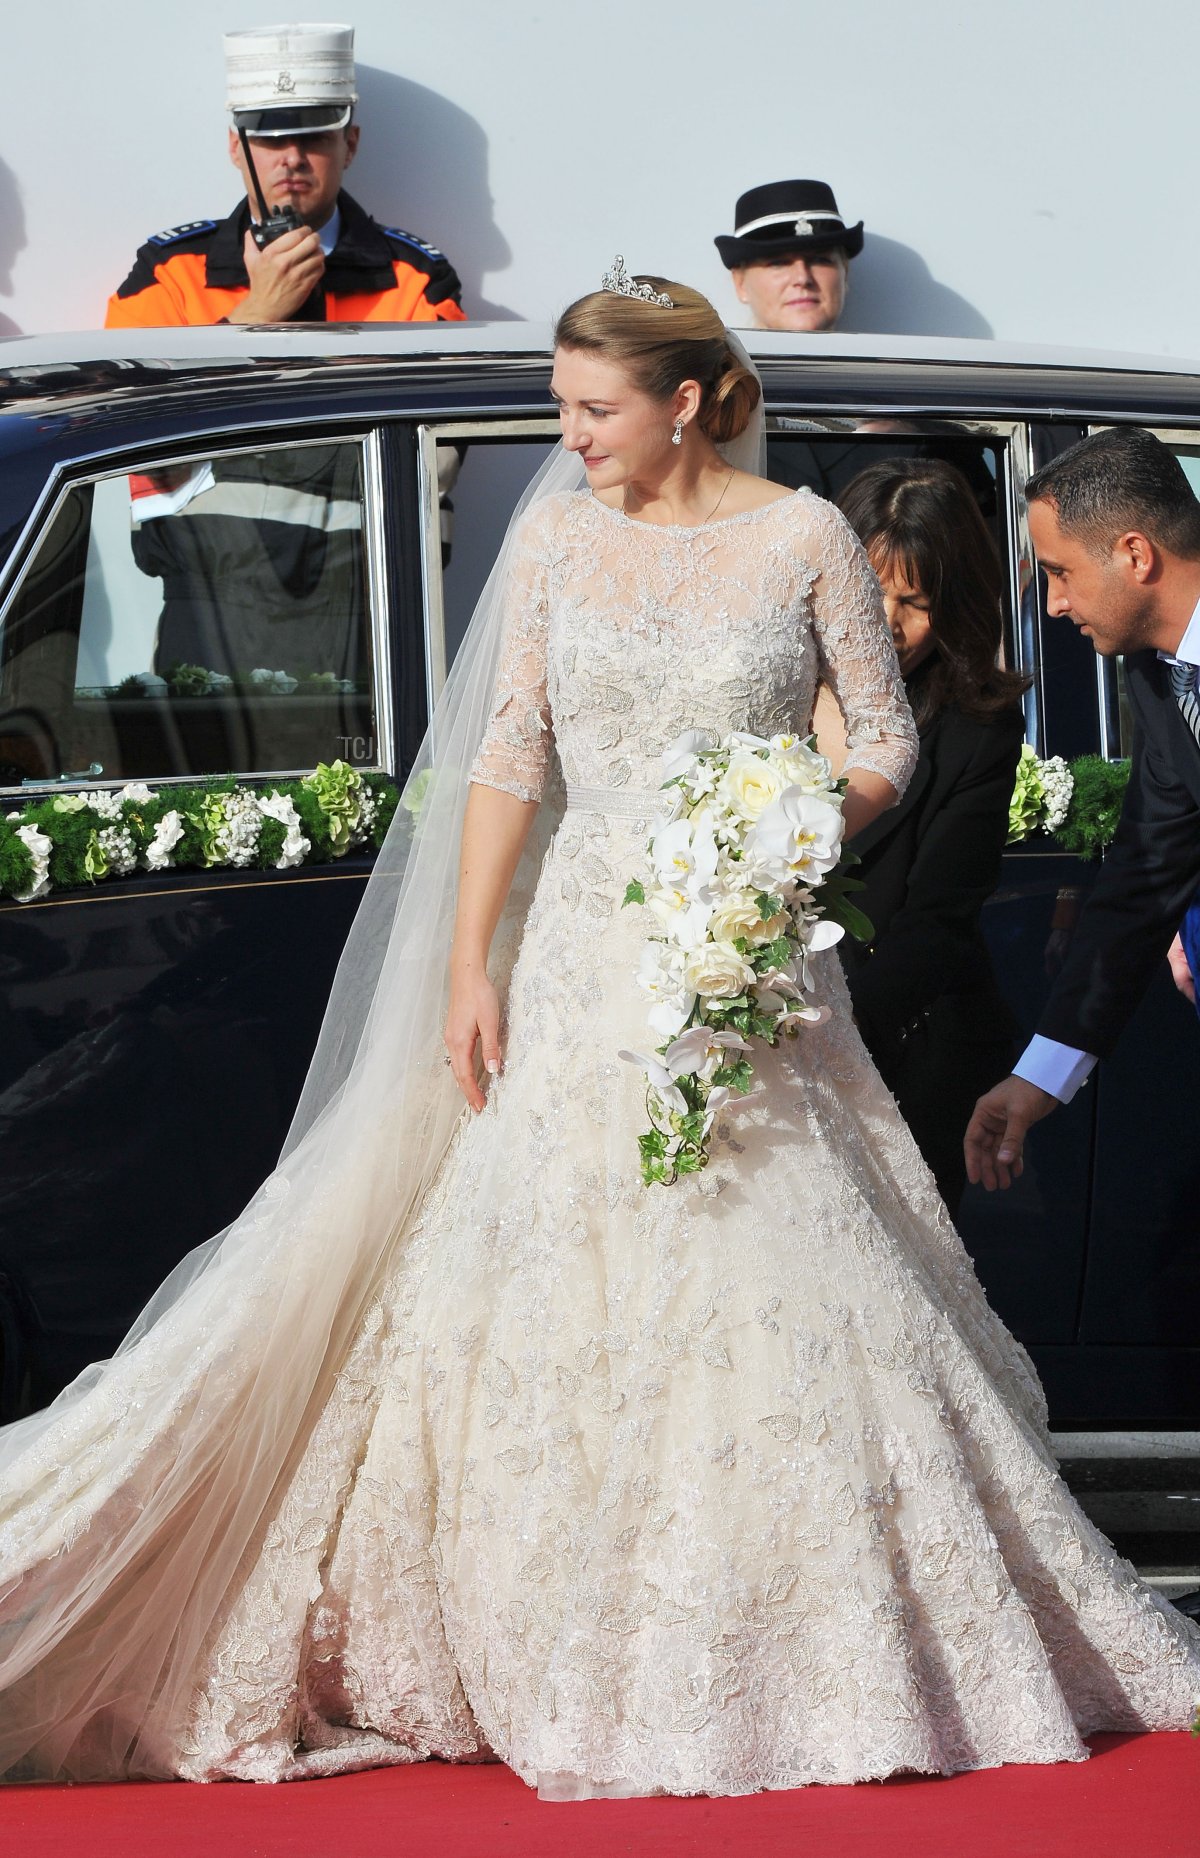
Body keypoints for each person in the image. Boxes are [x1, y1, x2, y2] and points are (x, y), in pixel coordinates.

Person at [1, 277, 1196, 1793]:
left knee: (776, 1279)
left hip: (753, 969)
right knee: (548, 1283)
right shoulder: (561, 537)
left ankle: (777, 1630)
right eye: (564, 409)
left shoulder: (805, 534)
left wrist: (792, 836)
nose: (569, 440)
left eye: (593, 410)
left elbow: (885, 735)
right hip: (580, 962)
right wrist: (467, 967)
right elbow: (511, 752)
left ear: (689, 399)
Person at [965, 427, 1200, 1190]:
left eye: (1061, 572)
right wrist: (1039, 1079)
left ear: (1135, 555)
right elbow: (1145, 872)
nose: (1055, 603)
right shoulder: (1153, 674)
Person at [835, 459, 1029, 1212]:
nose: (884, 620)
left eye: (913, 600)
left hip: (897, 1057)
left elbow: (937, 923)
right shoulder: (766, 695)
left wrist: (819, 1039)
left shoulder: (976, 729)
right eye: (867, 589)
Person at [105, 24, 466, 328]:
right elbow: (129, 403)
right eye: (270, 139)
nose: (292, 158)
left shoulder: (416, 278)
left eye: (315, 137)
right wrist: (259, 312)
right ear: (236, 148)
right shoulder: (168, 273)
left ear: (350, 145)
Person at [715, 179, 862, 334]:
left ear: (845, 273)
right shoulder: (706, 359)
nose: (802, 278)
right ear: (740, 283)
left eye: (820, 260)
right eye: (778, 263)